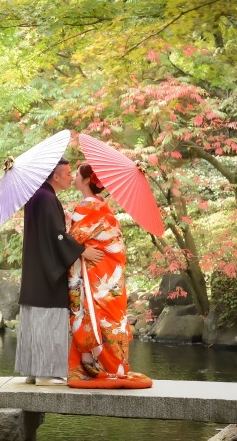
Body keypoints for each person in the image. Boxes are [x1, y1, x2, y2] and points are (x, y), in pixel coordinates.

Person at [15, 158, 103, 386]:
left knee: (34, 321)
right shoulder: (47, 198)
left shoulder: (36, 196)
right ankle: (44, 373)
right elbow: (57, 236)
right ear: (55, 176)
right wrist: (82, 251)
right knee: (48, 319)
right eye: (67, 174)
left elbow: (51, 232)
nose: (71, 177)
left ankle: (32, 371)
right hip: (47, 273)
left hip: (35, 270)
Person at [66, 162, 152, 389]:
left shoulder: (84, 207)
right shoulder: (105, 207)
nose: (73, 177)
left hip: (94, 273)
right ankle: (117, 366)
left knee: (91, 313)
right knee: (111, 317)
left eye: (76, 174)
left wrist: (79, 248)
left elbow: (71, 241)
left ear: (86, 180)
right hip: (109, 272)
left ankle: (94, 363)